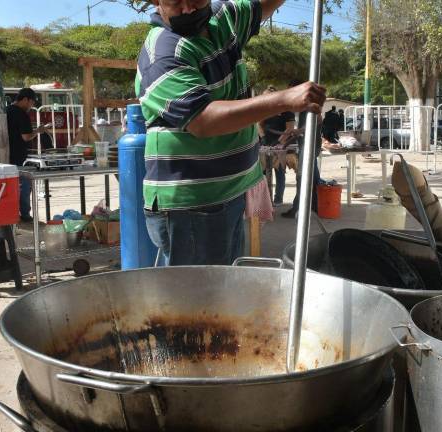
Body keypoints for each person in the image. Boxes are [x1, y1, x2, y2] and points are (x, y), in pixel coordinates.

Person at [138, 0, 326, 266]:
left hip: (229, 194)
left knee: (223, 291)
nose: (188, 9)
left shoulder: (224, 19)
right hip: (192, 206)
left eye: (195, 0)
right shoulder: (163, 51)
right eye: (175, 2)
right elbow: (203, 119)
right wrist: (284, 99)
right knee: (198, 300)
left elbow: (264, 5)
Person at [280, 79, 324, 219]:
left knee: (303, 177)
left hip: (310, 145)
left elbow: (318, 119)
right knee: (313, 177)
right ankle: (315, 207)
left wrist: (300, 131)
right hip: (308, 144)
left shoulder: (310, 103)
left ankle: (299, 208)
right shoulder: (305, 104)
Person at [6, 88, 45, 223]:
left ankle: (12, 214)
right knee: (24, 185)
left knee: (11, 186)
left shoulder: (7, 110)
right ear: (25, 99)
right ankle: (25, 215)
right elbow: (26, 137)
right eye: (31, 103)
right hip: (19, 156)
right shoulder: (22, 114)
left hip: (6, 155)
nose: (31, 106)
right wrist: (38, 131)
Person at [259, 85, 295, 205]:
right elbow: (258, 125)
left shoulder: (287, 110)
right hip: (266, 145)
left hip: (281, 146)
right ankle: (265, 200)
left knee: (279, 173)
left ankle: (278, 199)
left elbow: (289, 128)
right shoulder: (264, 110)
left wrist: (279, 142)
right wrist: (263, 137)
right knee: (263, 174)